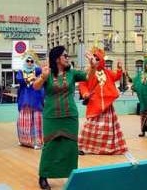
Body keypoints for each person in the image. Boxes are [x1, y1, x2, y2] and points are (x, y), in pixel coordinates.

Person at [33, 45, 96, 190]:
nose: (68, 58)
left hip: (70, 116)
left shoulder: (72, 73)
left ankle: (72, 175)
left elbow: (87, 77)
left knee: (70, 147)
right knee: (50, 146)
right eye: (65, 56)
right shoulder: (47, 73)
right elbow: (36, 87)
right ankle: (44, 176)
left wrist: (92, 66)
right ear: (57, 59)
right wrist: (43, 76)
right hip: (51, 117)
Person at [78, 47, 128, 155]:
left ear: (102, 60)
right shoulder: (88, 72)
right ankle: (83, 146)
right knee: (90, 126)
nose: (95, 60)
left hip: (107, 105)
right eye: (94, 58)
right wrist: (85, 93)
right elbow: (83, 84)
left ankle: (108, 147)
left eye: (98, 58)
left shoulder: (107, 72)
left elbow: (116, 77)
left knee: (108, 127)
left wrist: (119, 69)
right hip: (94, 104)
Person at [15, 51, 45, 149]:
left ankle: (37, 142)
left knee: (37, 120)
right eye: (27, 60)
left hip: (36, 97)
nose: (29, 63)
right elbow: (19, 80)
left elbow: (44, 75)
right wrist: (29, 79)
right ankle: (25, 141)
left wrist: (37, 77)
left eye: (31, 61)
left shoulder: (37, 70)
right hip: (24, 98)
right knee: (24, 119)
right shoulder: (20, 71)